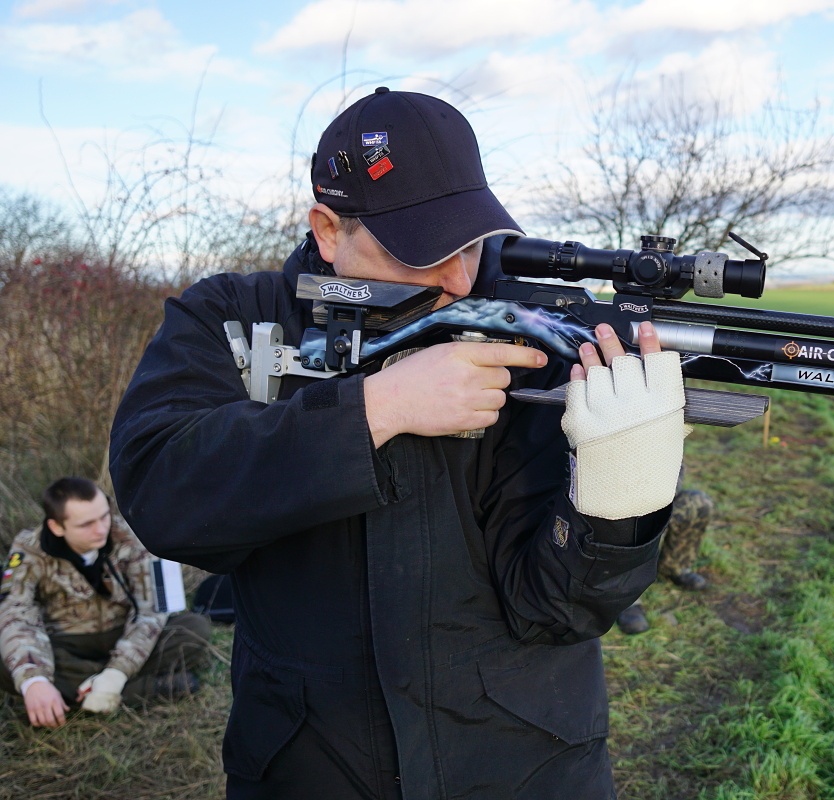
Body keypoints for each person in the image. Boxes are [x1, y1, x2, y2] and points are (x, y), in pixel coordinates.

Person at [108, 88, 687, 799]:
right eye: (422, 250)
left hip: (527, 767)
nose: (458, 279)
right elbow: (161, 491)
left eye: (470, 243)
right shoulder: (234, 317)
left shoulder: (531, 336)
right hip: (307, 771)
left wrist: (622, 495)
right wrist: (374, 410)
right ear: (328, 231)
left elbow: (558, 609)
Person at [0, 477, 211, 728]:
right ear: (56, 527)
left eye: (104, 516)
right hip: (65, 643)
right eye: (86, 524)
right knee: (8, 658)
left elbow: (151, 609)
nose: (101, 529)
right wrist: (35, 680)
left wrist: (117, 672)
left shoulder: (130, 534)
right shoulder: (29, 548)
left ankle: (92, 688)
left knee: (194, 629)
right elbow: (16, 614)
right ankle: (142, 689)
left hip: (124, 631)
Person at [617, 487, 715, 635]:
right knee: (633, 519)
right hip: (621, 504)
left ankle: (673, 566)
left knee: (698, 502)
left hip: (659, 497)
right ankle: (625, 596)